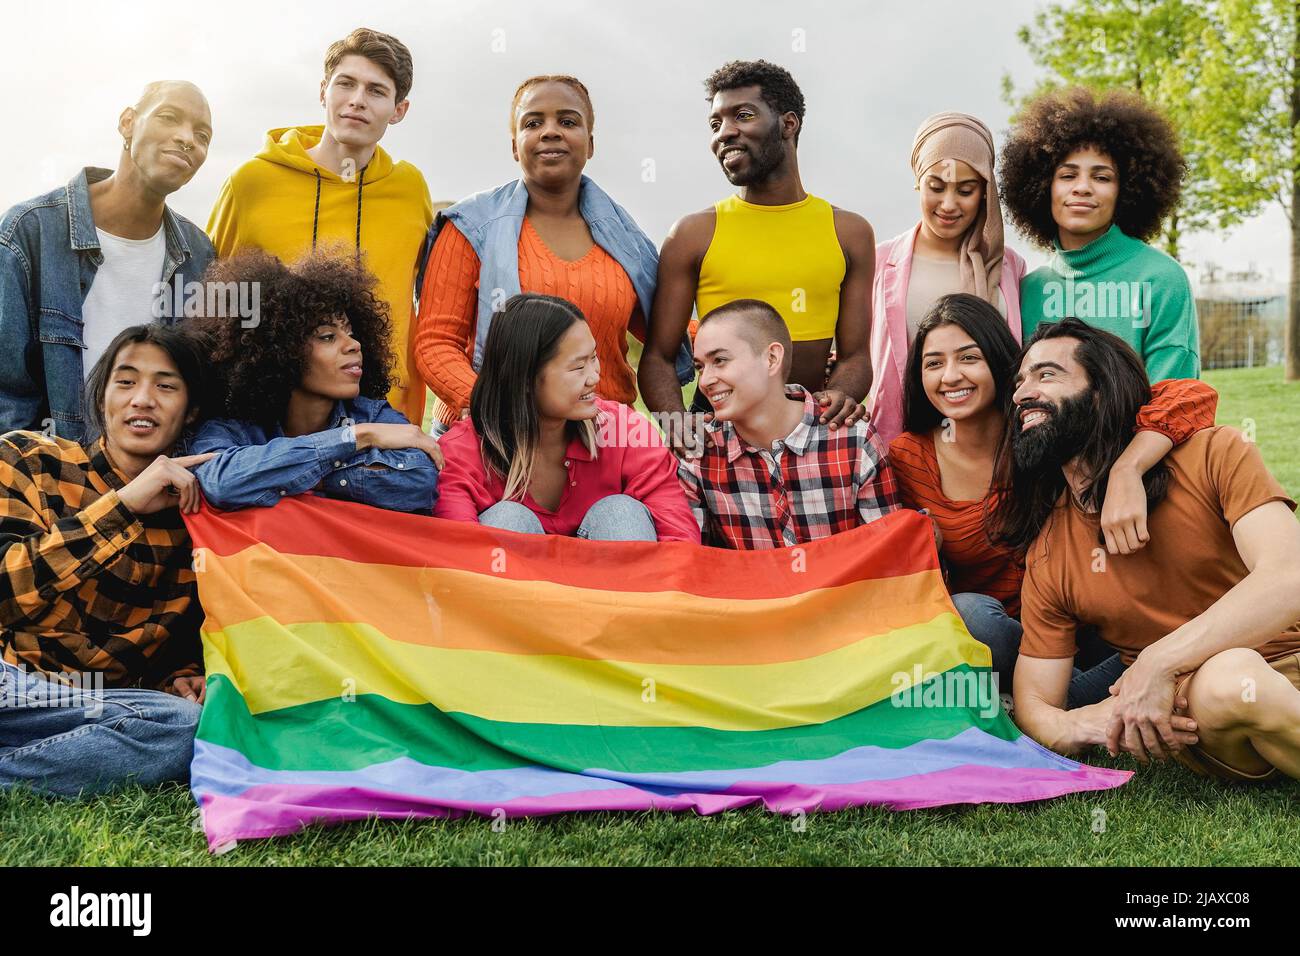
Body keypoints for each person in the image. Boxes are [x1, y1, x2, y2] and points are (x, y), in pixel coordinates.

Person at [993, 319, 1300, 781]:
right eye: (1020, 381)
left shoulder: (1213, 453)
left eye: (1046, 374)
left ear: (1100, 392)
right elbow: (1036, 704)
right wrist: (1080, 723)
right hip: (1206, 703)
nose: (1021, 393)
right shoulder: (1049, 550)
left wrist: (1157, 661)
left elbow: (1288, 576)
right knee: (1231, 679)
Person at [890, 294, 1216, 697]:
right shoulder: (908, 455)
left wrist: (1127, 469)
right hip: (1007, 637)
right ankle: (1063, 698)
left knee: (1150, 634)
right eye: (934, 363)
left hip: (1091, 624)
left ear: (998, 362)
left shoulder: (1043, 426)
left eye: (969, 358)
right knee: (971, 614)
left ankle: (1060, 699)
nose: (951, 376)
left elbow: (1191, 396)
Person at [0, 324, 215, 797]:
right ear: (102, 400)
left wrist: (181, 678)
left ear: (191, 410)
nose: (142, 399)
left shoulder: (197, 517)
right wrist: (123, 507)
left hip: (92, 703)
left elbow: (174, 643)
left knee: (183, 726)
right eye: (126, 381)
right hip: (9, 678)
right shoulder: (29, 458)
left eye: (165, 385)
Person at [413, 74, 693, 430]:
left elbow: (664, 329)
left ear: (590, 144)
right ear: (516, 146)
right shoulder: (470, 226)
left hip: (604, 435)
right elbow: (436, 343)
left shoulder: (625, 238)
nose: (550, 131)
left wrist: (742, 335)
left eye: (567, 121)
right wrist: (495, 408)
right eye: (533, 123)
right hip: (492, 435)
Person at [640, 60, 876, 456]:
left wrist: (836, 399)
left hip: (813, 433)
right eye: (715, 125)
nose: (725, 133)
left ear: (788, 124)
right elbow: (659, 357)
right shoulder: (693, 234)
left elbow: (855, 358)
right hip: (717, 438)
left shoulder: (849, 232)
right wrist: (676, 422)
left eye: (743, 116)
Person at [207, 27, 434, 426]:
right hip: (266, 425)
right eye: (345, 84)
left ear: (399, 110)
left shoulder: (410, 189)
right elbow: (212, 304)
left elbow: (429, 300)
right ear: (323, 91)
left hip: (384, 419)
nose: (356, 101)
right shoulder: (251, 183)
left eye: (376, 91)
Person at [0, 82, 215, 442]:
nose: (187, 138)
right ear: (127, 122)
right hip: (47, 480)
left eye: (202, 134)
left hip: (156, 481)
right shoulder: (29, 232)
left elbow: (199, 393)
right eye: (168, 117)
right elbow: (7, 398)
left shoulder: (200, 253)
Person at [189, 249, 441, 513]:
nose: (354, 344)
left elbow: (419, 481)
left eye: (351, 333)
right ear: (280, 350)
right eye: (328, 337)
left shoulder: (373, 413)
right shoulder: (233, 425)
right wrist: (355, 437)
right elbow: (221, 482)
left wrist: (286, 477)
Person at [435, 293, 699, 543]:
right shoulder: (464, 449)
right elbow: (457, 553)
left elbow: (679, 537)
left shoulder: (624, 431)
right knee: (508, 519)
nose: (595, 377)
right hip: (512, 584)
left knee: (620, 513)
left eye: (593, 358)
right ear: (525, 379)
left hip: (612, 584)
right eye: (578, 367)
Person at [1000, 87, 1199, 380]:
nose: (1082, 187)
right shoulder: (1027, 290)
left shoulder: (1161, 279)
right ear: (1042, 187)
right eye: (1067, 175)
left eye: (1101, 177)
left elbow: (1171, 396)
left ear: (1127, 189)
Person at [677, 299, 898, 549]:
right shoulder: (698, 453)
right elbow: (692, 561)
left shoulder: (854, 440)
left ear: (771, 358)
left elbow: (888, 554)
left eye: (719, 360)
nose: (705, 381)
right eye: (699, 367)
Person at [869, 112, 1026, 445]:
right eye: (936, 187)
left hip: (994, 449)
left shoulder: (1009, 266)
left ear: (985, 192)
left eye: (966, 190)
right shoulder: (878, 263)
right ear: (917, 181)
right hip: (902, 441)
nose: (949, 204)